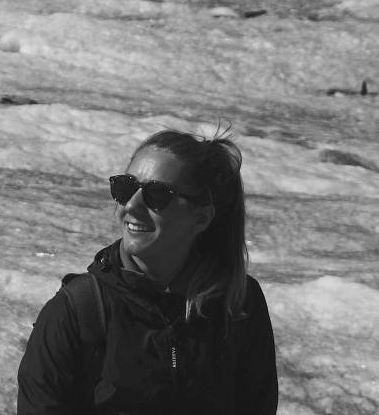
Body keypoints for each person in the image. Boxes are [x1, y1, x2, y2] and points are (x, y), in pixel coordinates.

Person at [17, 128, 278, 414]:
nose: (131, 205)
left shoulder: (238, 304)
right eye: (125, 187)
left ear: (201, 218)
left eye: (157, 194)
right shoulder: (77, 312)